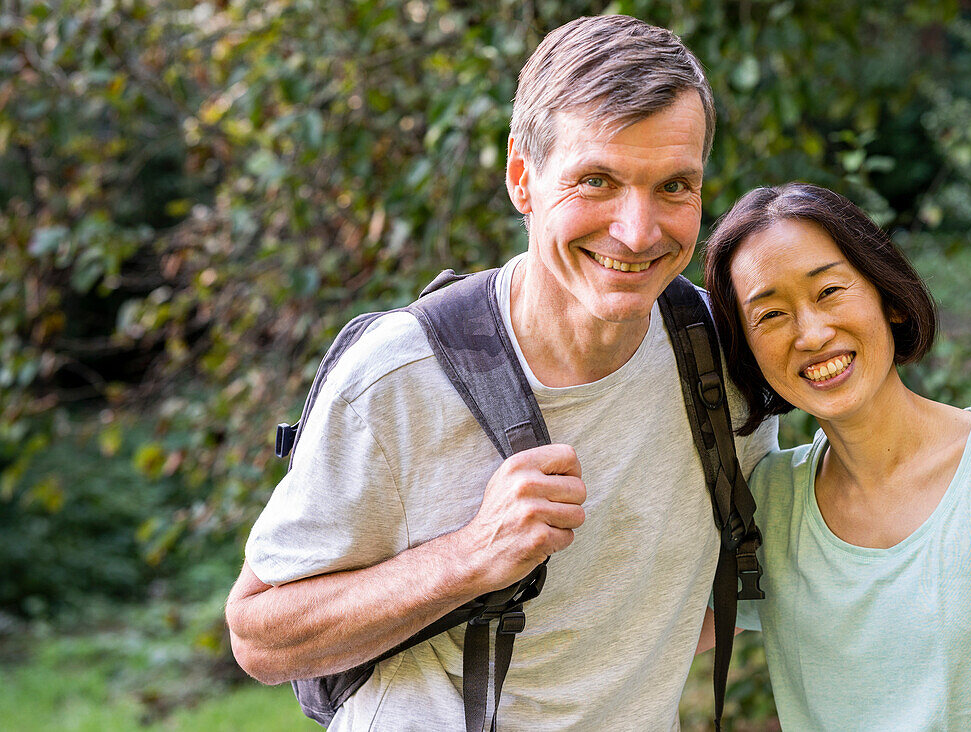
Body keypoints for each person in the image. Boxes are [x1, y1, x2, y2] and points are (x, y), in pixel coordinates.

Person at [224, 15, 778, 731]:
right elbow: (260, 637)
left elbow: (731, 588)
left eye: (674, 186)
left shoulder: (720, 358)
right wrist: (470, 557)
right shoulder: (399, 377)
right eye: (596, 181)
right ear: (523, 176)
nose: (638, 231)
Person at [703, 182, 971, 730]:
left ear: (887, 296)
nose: (813, 334)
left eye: (829, 292)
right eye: (770, 315)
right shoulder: (768, 501)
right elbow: (644, 636)